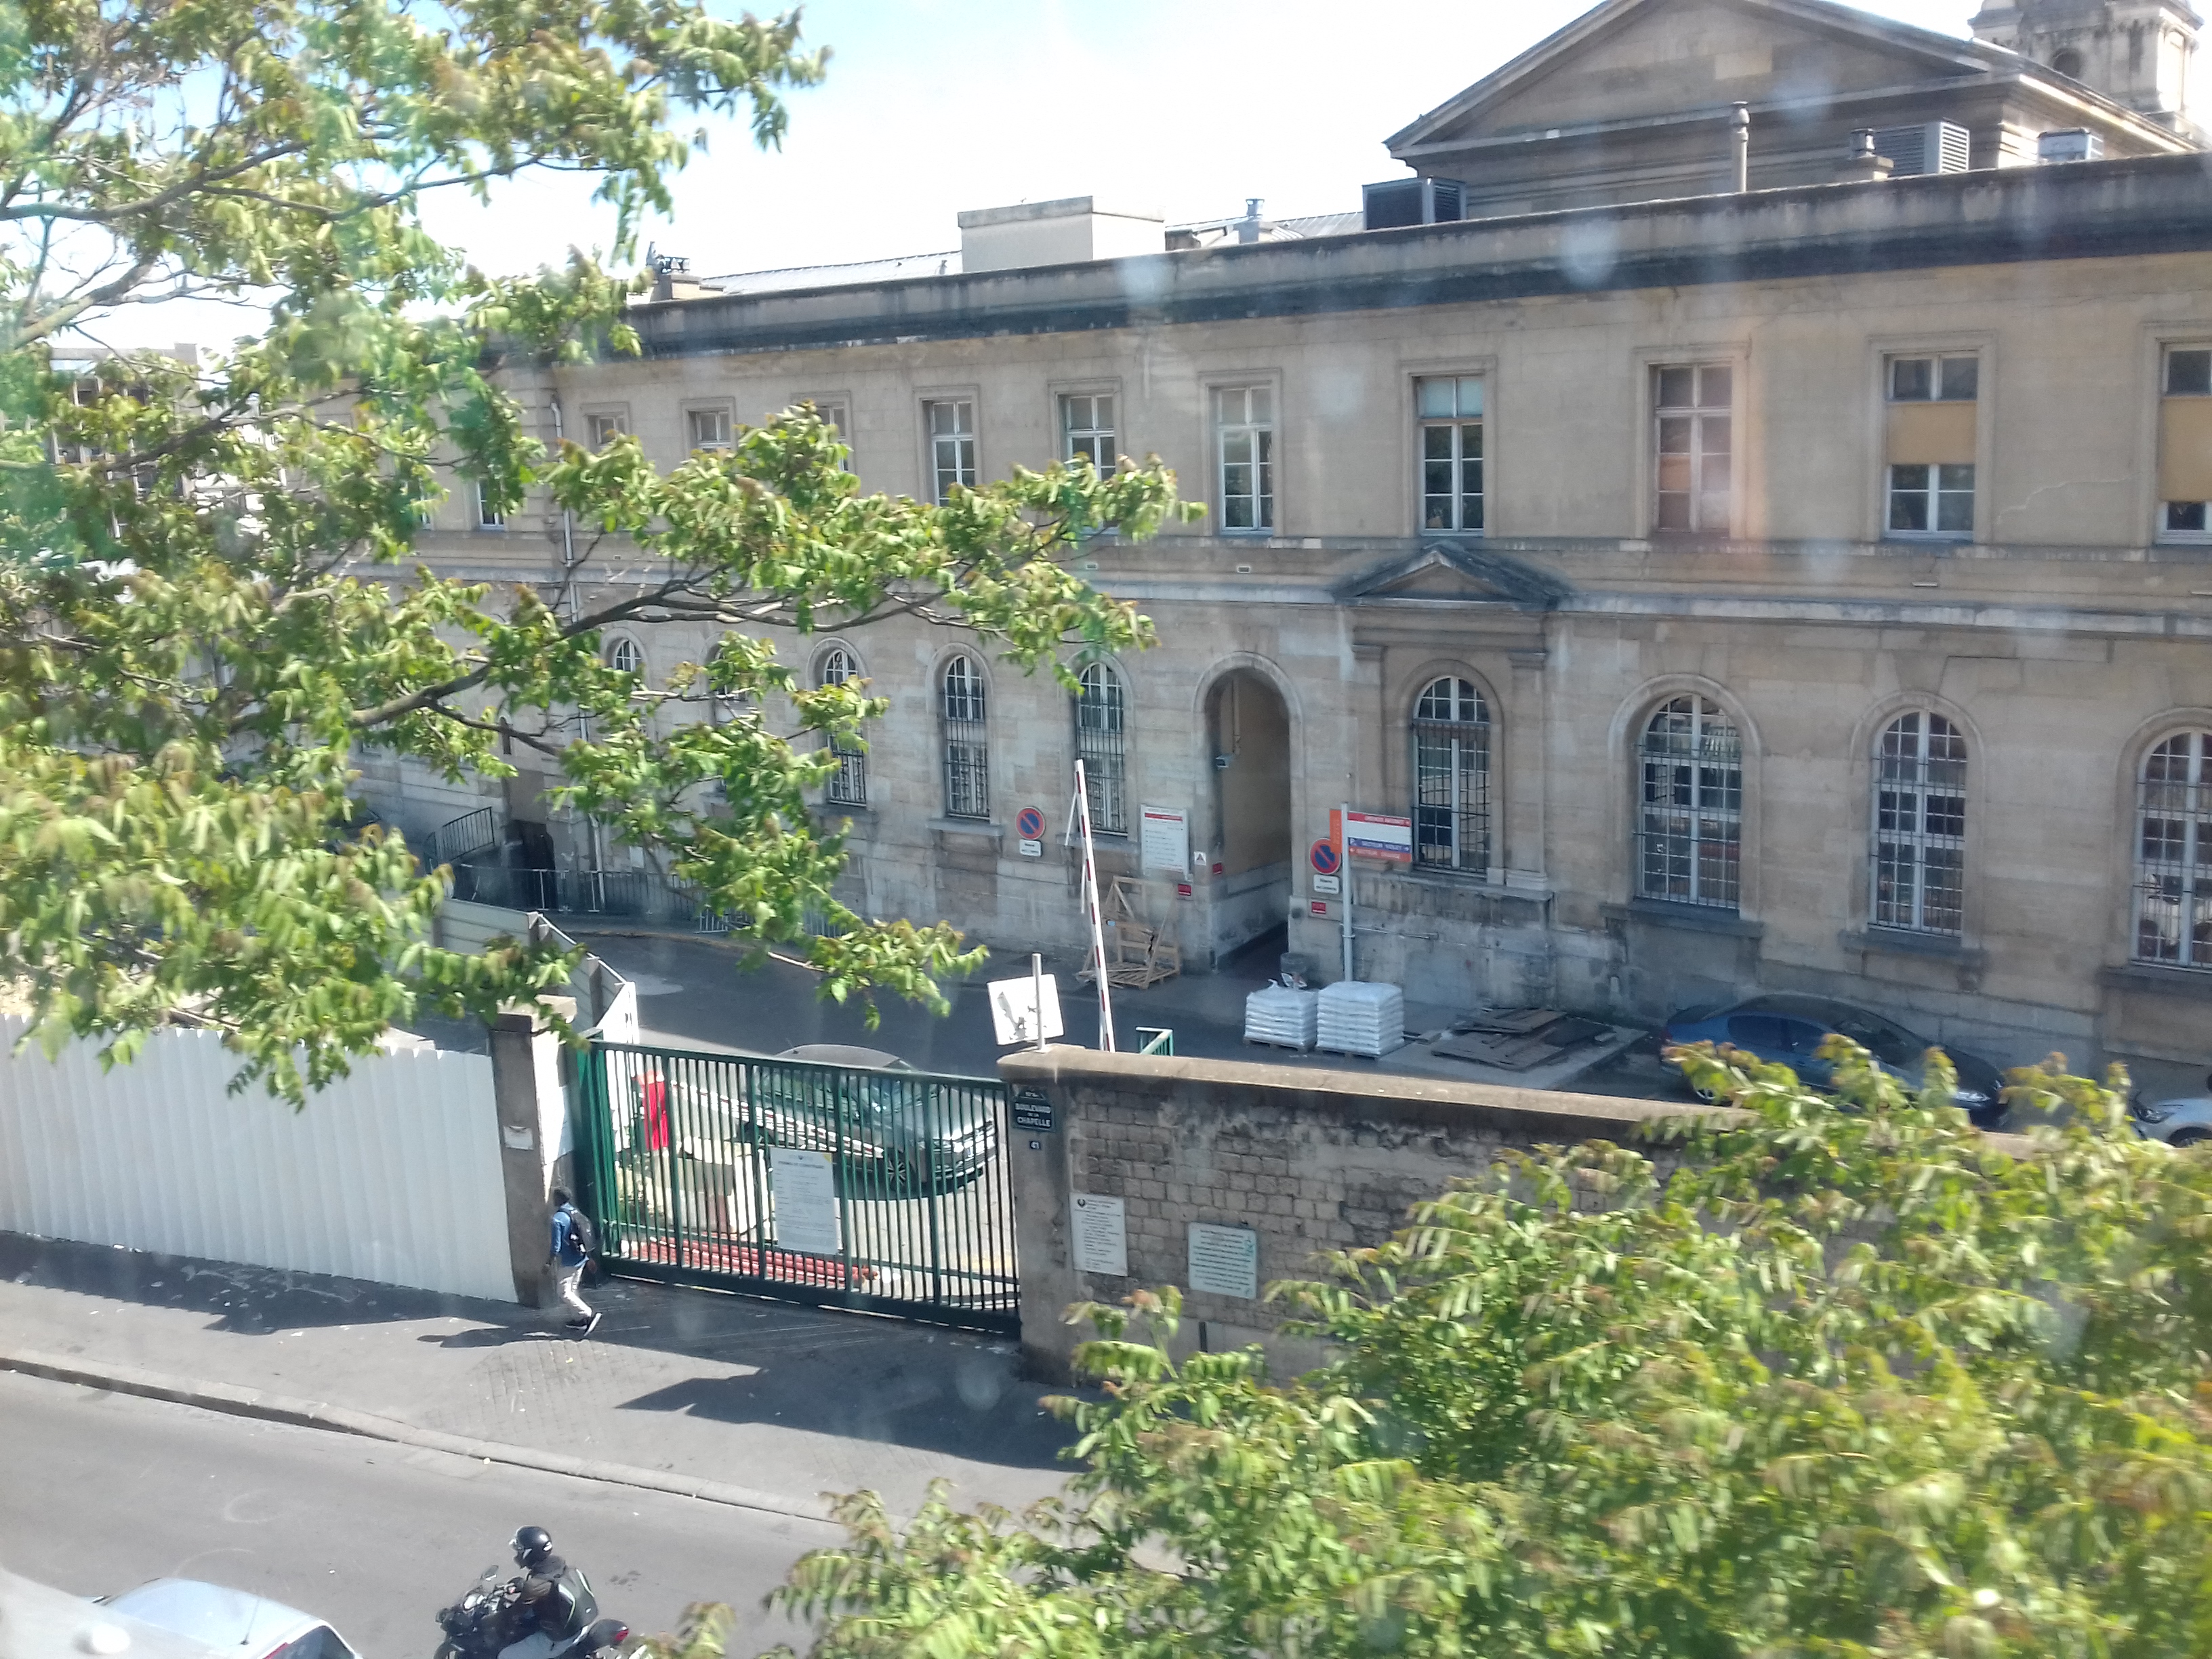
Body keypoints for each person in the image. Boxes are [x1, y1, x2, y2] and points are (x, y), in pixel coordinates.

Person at [548, 1189, 598, 1335]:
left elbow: (556, 1247)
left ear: (559, 1199)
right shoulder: (575, 1212)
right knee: (573, 1289)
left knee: (563, 1292)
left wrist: (548, 1263)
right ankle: (579, 1320)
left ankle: (587, 1314)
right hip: (581, 1257)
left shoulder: (557, 1219)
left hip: (568, 1261)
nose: (552, 1200)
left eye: (554, 1197)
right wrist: (589, 1257)